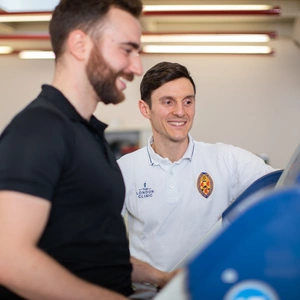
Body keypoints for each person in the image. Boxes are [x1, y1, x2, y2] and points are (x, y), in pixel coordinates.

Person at [0, 1, 173, 299]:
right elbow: (9, 259)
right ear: (80, 44)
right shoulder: (39, 129)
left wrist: (161, 276)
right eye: (127, 50)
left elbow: (91, 252)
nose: (136, 67)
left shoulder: (88, 134)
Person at [117, 61, 275, 274]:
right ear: (145, 109)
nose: (180, 112)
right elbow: (101, 245)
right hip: (150, 294)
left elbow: (283, 190)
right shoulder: (124, 169)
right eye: (168, 102)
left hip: (207, 290)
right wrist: (160, 278)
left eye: (188, 101)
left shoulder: (227, 159)